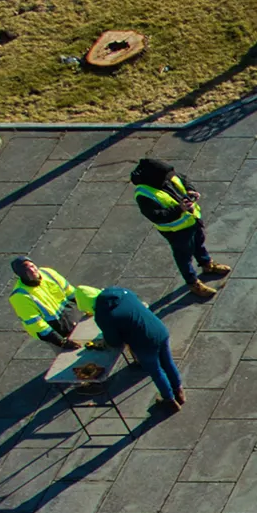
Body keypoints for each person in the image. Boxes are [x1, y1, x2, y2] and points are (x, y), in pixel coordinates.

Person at [129, 158, 230, 298]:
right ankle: (193, 282)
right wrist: (179, 209)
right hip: (176, 231)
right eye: (167, 176)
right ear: (156, 176)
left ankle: (207, 264)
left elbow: (183, 179)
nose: (171, 177)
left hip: (192, 220)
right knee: (184, 257)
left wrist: (190, 190)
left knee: (199, 243)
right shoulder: (144, 195)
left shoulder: (166, 176)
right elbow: (156, 216)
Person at [87, 287, 184, 411]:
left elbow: (114, 342)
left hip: (144, 343)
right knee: (168, 362)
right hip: (159, 330)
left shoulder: (103, 315)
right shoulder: (121, 292)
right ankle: (179, 392)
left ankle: (169, 400)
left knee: (156, 371)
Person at [7, 257, 97, 348]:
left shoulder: (49, 274)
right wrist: (61, 342)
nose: (32, 270)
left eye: (32, 266)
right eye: (26, 270)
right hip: (55, 332)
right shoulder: (19, 296)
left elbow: (71, 293)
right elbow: (38, 325)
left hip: (71, 318)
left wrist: (89, 308)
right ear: (20, 275)